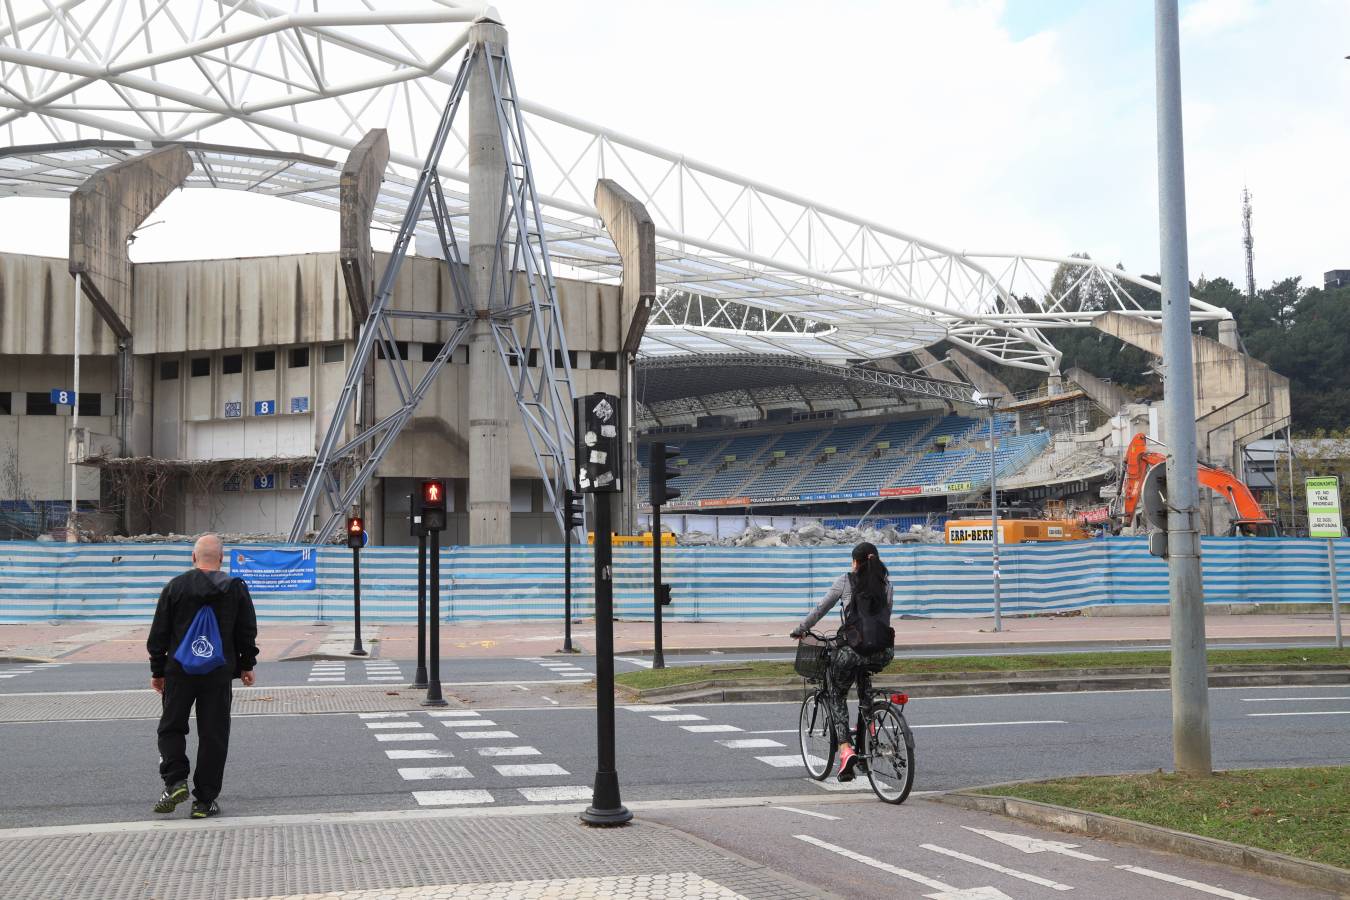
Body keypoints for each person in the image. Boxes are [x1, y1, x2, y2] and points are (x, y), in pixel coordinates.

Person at [147, 533, 258, 818]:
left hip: (179, 672)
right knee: (213, 734)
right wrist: (247, 665)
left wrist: (158, 671)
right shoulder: (235, 588)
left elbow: (158, 633)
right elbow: (246, 630)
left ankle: (175, 781)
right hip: (218, 674)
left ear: (194, 558)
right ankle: (204, 800)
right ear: (221, 559)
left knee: (171, 728)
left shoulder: (175, 587)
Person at [790, 541, 895, 782]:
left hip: (853, 649)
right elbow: (884, 617)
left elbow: (820, 609)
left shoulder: (846, 581)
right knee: (864, 672)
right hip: (884, 651)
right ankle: (870, 728)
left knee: (837, 692)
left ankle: (846, 749)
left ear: (855, 562)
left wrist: (800, 629)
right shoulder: (887, 585)